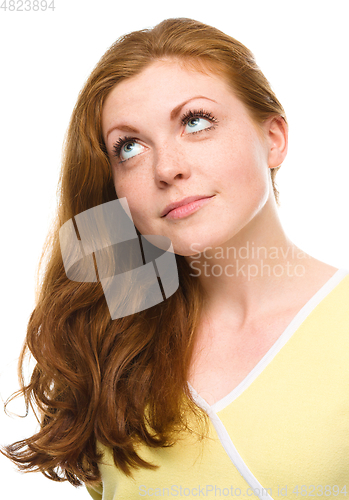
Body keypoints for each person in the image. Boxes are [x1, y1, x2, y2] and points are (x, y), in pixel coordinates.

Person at [2, 17, 349, 500]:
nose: (166, 168)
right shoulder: (118, 344)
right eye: (129, 147)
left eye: (196, 121)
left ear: (273, 138)